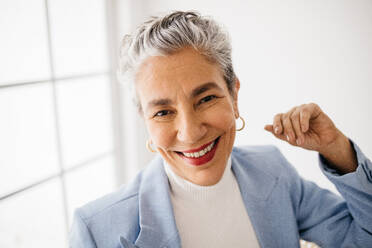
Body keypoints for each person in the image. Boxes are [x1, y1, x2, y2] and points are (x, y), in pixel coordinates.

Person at [69, 11, 372, 248]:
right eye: (163, 112)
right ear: (144, 120)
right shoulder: (97, 230)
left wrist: (336, 148)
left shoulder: (272, 170)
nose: (189, 132)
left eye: (206, 98)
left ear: (234, 95)